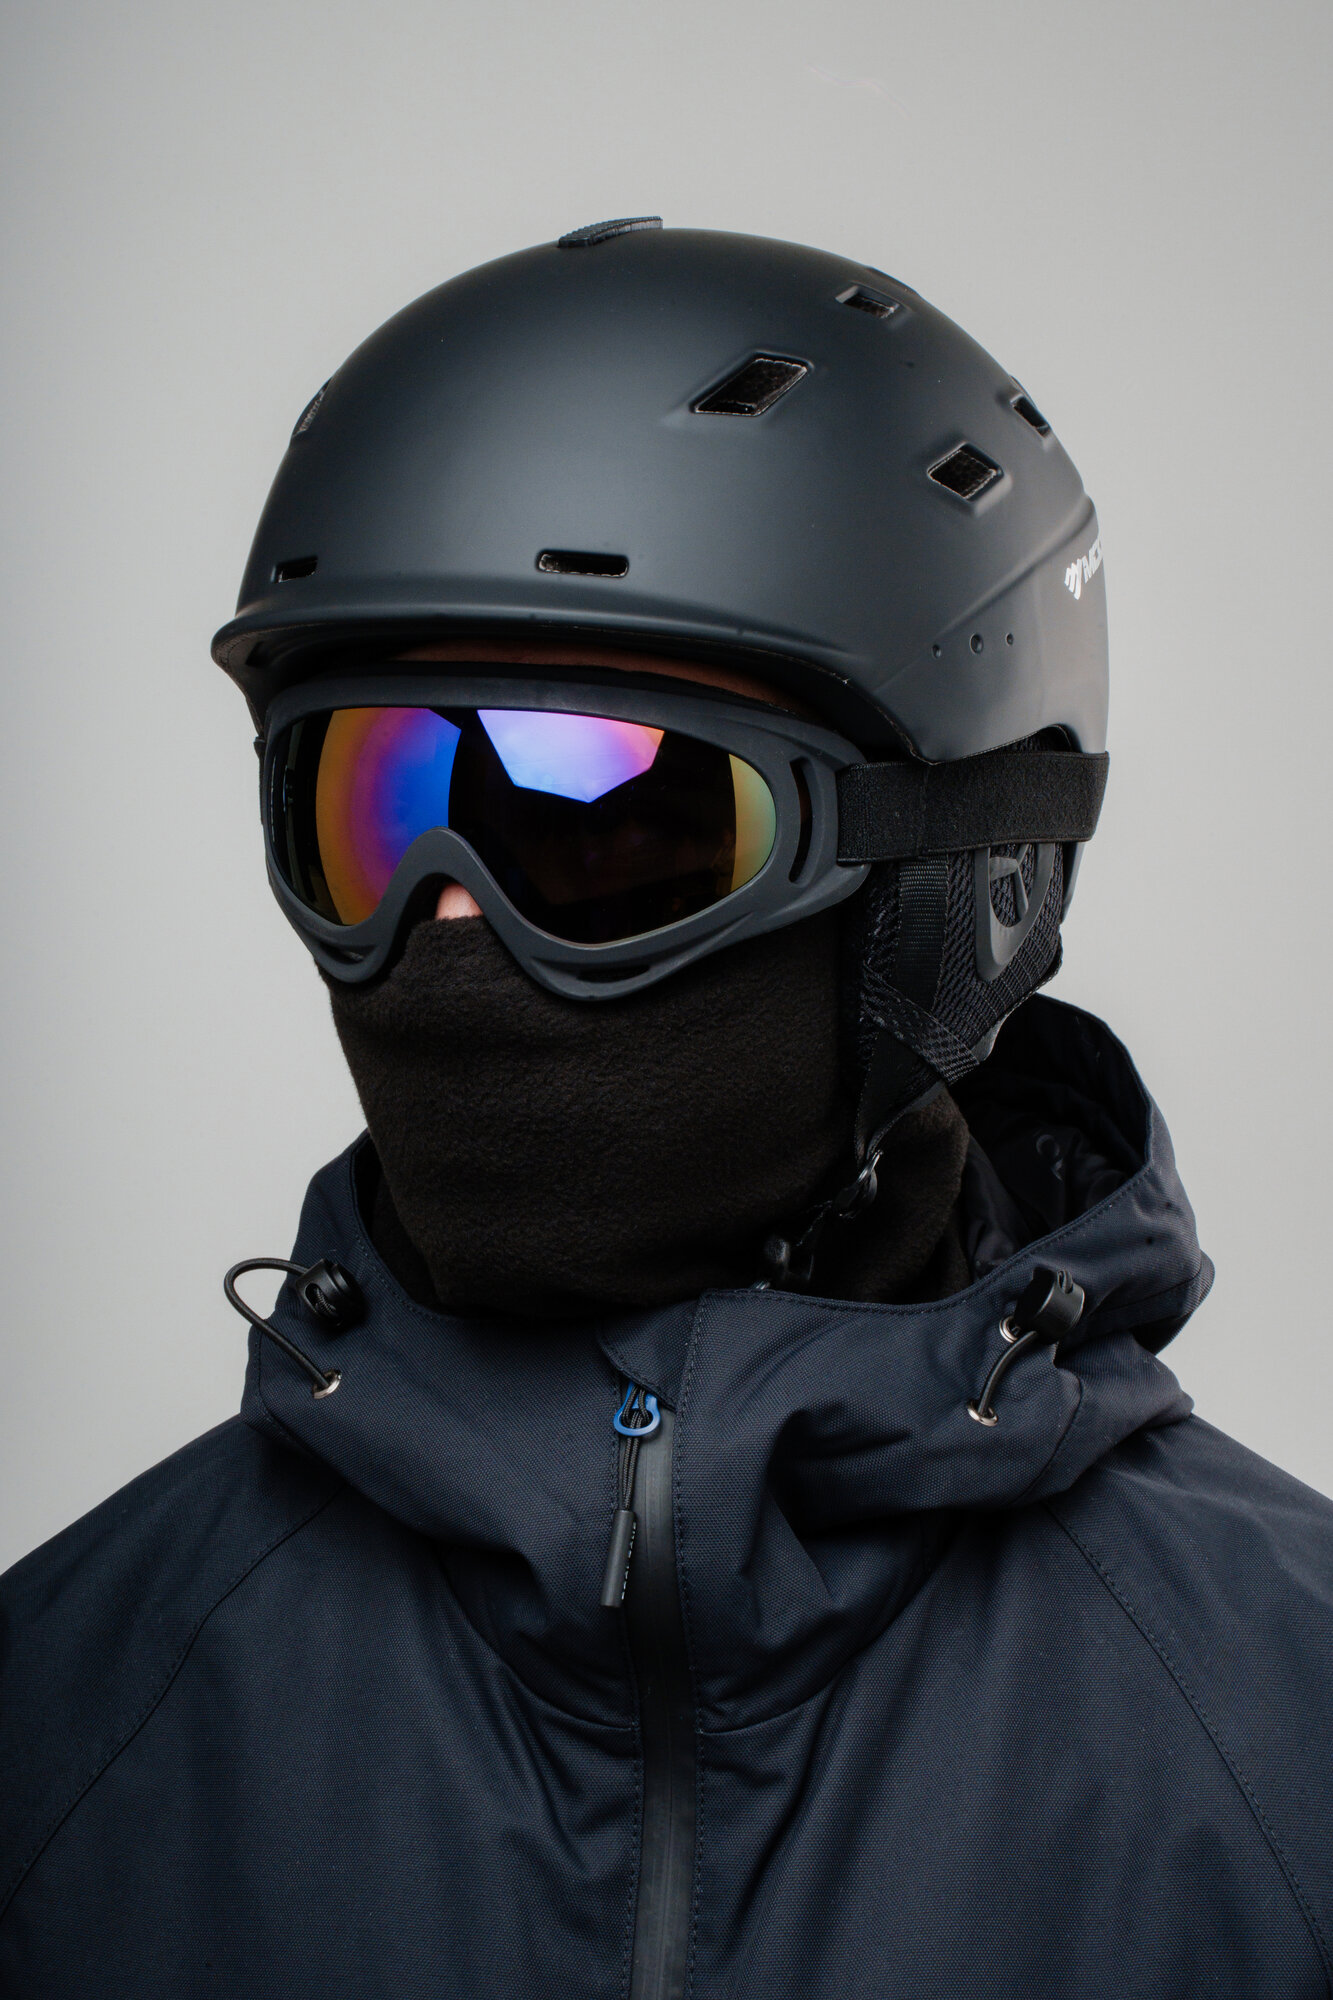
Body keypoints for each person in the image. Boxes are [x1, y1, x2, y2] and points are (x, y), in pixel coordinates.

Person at [2, 220, 1330, 2000]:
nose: (446, 930)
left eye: (600, 821)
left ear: (957, 886)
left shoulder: (1286, 1740)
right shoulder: (64, 1724)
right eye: (365, 812)